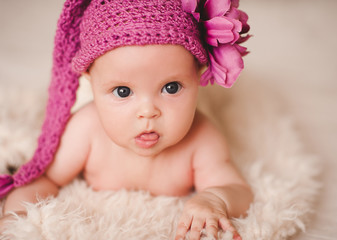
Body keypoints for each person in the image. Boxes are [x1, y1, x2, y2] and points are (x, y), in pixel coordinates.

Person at [0, 0, 253, 239]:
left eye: (172, 87)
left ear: (198, 74)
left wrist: (215, 199)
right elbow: (45, 179)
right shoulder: (86, 130)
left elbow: (238, 190)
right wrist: (18, 217)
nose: (148, 111)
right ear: (91, 78)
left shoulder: (202, 139)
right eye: (123, 91)